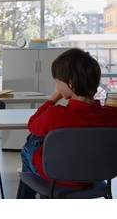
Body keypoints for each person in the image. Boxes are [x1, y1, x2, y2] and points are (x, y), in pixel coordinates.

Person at [17, 48, 117, 198]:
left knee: (31, 142)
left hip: (58, 176)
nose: (56, 85)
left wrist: (53, 98)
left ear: (70, 84)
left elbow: (33, 124)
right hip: (97, 176)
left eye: (57, 81)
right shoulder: (112, 115)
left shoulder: (55, 114)